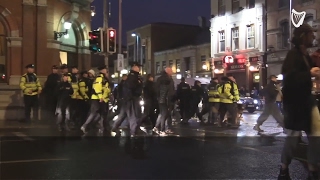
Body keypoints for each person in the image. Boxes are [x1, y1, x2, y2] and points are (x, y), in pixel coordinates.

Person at [278, 23, 320, 180]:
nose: (314, 37)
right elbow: (289, 79)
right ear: (303, 36)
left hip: (308, 101)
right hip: (295, 104)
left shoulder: (306, 55)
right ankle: (283, 169)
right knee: (293, 137)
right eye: (311, 34)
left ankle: (313, 169)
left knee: (316, 134)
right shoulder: (293, 55)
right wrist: (309, 73)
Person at [111, 64, 143, 137]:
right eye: (139, 68)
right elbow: (132, 88)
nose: (140, 69)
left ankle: (114, 127)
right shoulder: (133, 77)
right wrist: (134, 95)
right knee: (133, 116)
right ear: (136, 68)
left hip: (127, 99)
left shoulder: (131, 77)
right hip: (131, 99)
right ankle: (133, 132)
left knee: (123, 114)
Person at [81, 65, 111, 136]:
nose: (106, 71)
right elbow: (97, 88)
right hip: (97, 98)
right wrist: (101, 97)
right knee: (94, 113)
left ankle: (100, 127)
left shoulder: (103, 78)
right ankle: (85, 126)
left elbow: (106, 89)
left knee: (101, 114)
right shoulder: (100, 78)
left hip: (101, 98)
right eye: (105, 69)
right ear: (102, 70)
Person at [153, 67, 175, 136]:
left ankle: (157, 127)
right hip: (166, 99)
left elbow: (157, 89)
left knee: (163, 114)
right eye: (171, 71)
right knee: (164, 114)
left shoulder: (161, 79)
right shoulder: (167, 80)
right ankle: (162, 129)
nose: (172, 72)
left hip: (162, 99)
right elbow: (170, 91)